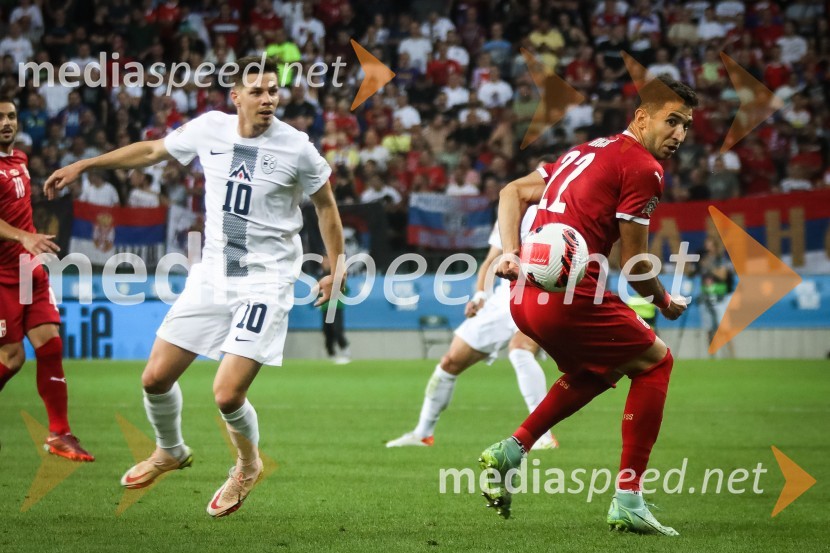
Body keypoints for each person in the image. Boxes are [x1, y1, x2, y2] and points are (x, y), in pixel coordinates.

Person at [44, 57, 344, 517]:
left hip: (266, 281)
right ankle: (170, 450)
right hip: (213, 274)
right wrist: (86, 163)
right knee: (155, 378)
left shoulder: (297, 147)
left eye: (273, 91)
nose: (268, 99)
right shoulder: (210, 129)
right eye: (258, 91)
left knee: (226, 393)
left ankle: (247, 465)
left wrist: (334, 266)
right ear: (236, 96)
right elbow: (150, 151)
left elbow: (326, 206)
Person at [478, 75, 696, 535]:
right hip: (572, 297)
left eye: (686, 127)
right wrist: (664, 300)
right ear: (642, 117)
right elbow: (635, 262)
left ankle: (512, 449)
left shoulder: (583, 150)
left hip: (525, 297)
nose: (679, 135)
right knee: (656, 363)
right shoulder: (643, 168)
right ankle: (628, 498)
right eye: (671, 121)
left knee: (600, 370)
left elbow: (510, 192)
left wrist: (512, 253)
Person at [386, 205, 557, 450]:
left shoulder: (560, 212)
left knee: (519, 349)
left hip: (542, 295)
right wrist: (479, 295)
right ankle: (422, 434)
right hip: (503, 298)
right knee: (450, 361)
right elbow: (491, 260)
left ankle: (544, 436)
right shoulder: (512, 212)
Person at [0, 98, 94, 462]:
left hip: (29, 271)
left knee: (50, 345)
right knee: (11, 358)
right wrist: (23, 236)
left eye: (10, 116)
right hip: (3, 276)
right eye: (0, 118)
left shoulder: (19, 159)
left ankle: (60, 433)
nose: (6, 123)